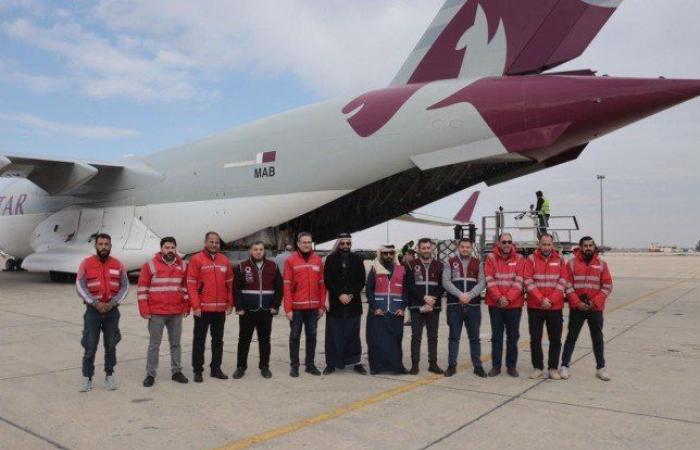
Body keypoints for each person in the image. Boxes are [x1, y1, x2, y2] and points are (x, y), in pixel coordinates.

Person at [76, 233, 129, 392]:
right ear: (96, 246)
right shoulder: (86, 264)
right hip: (92, 312)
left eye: (106, 244)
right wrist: (95, 303)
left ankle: (109, 375)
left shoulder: (118, 265)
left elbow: (125, 287)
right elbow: (80, 285)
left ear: (110, 246)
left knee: (111, 345)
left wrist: (113, 303)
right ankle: (87, 378)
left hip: (112, 312)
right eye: (101, 244)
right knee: (90, 346)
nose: (104, 247)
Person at [138, 237, 190, 387]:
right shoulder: (150, 265)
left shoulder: (183, 266)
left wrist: (186, 306)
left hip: (176, 312)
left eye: (172, 247)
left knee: (176, 344)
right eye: (167, 247)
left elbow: (186, 288)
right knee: (154, 344)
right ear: (161, 249)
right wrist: (144, 309)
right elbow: (142, 289)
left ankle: (176, 372)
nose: (170, 250)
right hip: (156, 313)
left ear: (175, 249)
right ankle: (150, 374)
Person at [560, 236, 613, 381]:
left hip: (595, 309)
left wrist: (594, 302)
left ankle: (600, 368)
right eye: (585, 246)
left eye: (590, 245)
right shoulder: (571, 264)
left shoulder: (602, 264)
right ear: (580, 247)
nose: (588, 248)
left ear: (594, 247)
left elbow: (607, 286)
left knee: (597, 339)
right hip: (577, 308)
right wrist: (577, 303)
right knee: (571, 338)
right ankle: (564, 366)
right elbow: (567, 285)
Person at [186, 231, 234, 382]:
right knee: (199, 341)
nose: (214, 244)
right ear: (205, 242)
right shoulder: (196, 259)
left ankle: (216, 368)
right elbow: (191, 285)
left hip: (219, 310)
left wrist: (230, 303)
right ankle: (197, 370)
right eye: (211, 242)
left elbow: (230, 284)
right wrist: (196, 306)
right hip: (203, 309)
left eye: (217, 242)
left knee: (218, 340)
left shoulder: (224, 260)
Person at [233, 241, 283, 379]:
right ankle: (241, 367)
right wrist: (239, 307)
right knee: (244, 340)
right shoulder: (243, 266)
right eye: (255, 249)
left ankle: (264, 366)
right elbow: (236, 289)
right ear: (251, 250)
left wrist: (275, 306)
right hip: (247, 311)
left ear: (264, 251)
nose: (258, 252)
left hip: (266, 310)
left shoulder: (273, 266)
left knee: (265, 340)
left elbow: (279, 287)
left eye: (261, 249)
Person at [523, 234, 567, 380]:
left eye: (549, 244)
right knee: (535, 338)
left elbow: (563, 281)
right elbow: (528, 280)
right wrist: (541, 299)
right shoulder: (531, 259)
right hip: (536, 306)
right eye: (544, 244)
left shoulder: (560, 260)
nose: (546, 247)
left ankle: (553, 368)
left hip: (555, 307)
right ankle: (537, 367)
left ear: (552, 245)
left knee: (555, 338)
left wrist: (551, 300)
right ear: (539, 244)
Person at [323, 233, 367, 375]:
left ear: (351, 244)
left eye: (348, 243)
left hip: (353, 304)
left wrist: (351, 294)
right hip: (336, 303)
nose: (345, 246)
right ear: (338, 244)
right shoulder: (330, 259)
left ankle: (355, 362)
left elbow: (361, 281)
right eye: (343, 244)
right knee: (333, 335)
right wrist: (339, 294)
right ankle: (332, 363)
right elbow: (328, 280)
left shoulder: (358, 259)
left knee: (353, 335)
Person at [442, 238, 486, 377]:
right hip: (454, 305)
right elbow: (445, 281)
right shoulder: (449, 262)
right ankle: (451, 365)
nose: (465, 249)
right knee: (454, 337)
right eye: (462, 247)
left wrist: (471, 295)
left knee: (475, 338)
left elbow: (482, 282)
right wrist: (460, 295)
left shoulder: (478, 263)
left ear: (471, 247)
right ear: (458, 247)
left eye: (468, 247)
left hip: (473, 306)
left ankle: (477, 366)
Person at [284, 232, 326, 377]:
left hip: (313, 308)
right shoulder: (290, 260)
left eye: (309, 242)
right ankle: (294, 366)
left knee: (312, 336)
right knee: (295, 336)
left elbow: (322, 285)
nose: (306, 244)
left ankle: (310, 365)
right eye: (304, 242)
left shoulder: (318, 261)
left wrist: (321, 306)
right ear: (298, 243)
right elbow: (287, 286)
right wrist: (288, 308)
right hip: (296, 308)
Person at [484, 233, 525, 377]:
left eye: (509, 241)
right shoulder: (490, 258)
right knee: (497, 336)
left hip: (514, 305)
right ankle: (496, 366)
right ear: (498, 243)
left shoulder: (520, 259)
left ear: (512, 243)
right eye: (504, 242)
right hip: (496, 305)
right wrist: (499, 298)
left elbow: (519, 281)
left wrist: (508, 298)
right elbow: (489, 280)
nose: (507, 244)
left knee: (513, 337)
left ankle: (511, 366)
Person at [366, 245, 409, 375]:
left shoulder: (402, 270)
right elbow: (369, 291)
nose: (388, 255)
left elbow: (406, 291)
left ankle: (397, 367)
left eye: (391, 253)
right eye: (385, 253)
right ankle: (376, 367)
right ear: (381, 255)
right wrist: (375, 307)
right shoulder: (374, 269)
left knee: (396, 340)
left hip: (396, 311)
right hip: (378, 311)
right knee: (376, 340)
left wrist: (402, 308)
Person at [406, 237, 445, 375]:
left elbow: (442, 285)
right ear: (418, 249)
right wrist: (424, 298)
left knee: (433, 336)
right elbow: (409, 286)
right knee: (416, 336)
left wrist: (432, 300)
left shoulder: (440, 265)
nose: (426, 250)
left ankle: (432, 364)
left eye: (428, 248)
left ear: (432, 248)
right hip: (417, 306)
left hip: (434, 306)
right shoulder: (410, 265)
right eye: (423, 248)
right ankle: (414, 365)